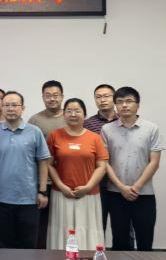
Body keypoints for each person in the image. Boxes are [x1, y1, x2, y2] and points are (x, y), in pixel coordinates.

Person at [0, 91, 50, 249]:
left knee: (28, 244)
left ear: (23, 108)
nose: (10, 108)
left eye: (14, 105)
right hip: (0, 199)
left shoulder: (35, 132)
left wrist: (43, 191)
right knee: (2, 244)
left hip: (28, 199)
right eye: (6, 105)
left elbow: (43, 162)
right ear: (2, 108)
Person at [101, 87, 165, 251]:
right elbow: (104, 162)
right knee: (119, 241)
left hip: (144, 194)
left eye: (129, 101)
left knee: (145, 241)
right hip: (116, 194)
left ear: (138, 105)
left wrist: (136, 187)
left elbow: (154, 162)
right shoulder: (107, 129)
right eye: (120, 102)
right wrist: (121, 187)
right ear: (115, 105)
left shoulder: (152, 129)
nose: (124, 105)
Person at [47, 98, 108, 250]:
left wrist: (88, 187)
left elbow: (102, 166)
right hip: (62, 193)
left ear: (85, 115)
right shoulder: (54, 135)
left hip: (89, 195)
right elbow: (48, 164)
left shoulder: (95, 138)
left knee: (87, 230)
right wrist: (61, 186)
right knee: (62, 230)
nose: (73, 114)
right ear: (64, 115)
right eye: (69, 111)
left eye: (77, 111)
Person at [28, 80, 66, 249]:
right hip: (42, 181)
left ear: (62, 97)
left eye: (56, 95)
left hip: (66, 181)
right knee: (41, 225)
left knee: (62, 224)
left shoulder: (71, 117)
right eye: (48, 95)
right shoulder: (35, 120)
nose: (52, 99)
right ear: (43, 97)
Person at [84, 84, 120, 236]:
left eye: (106, 96)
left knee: (123, 228)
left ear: (114, 98)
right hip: (98, 184)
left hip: (121, 183)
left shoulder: (123, 120)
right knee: (98, 227)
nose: (102, 100)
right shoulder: (88, 124)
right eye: (98, 97)